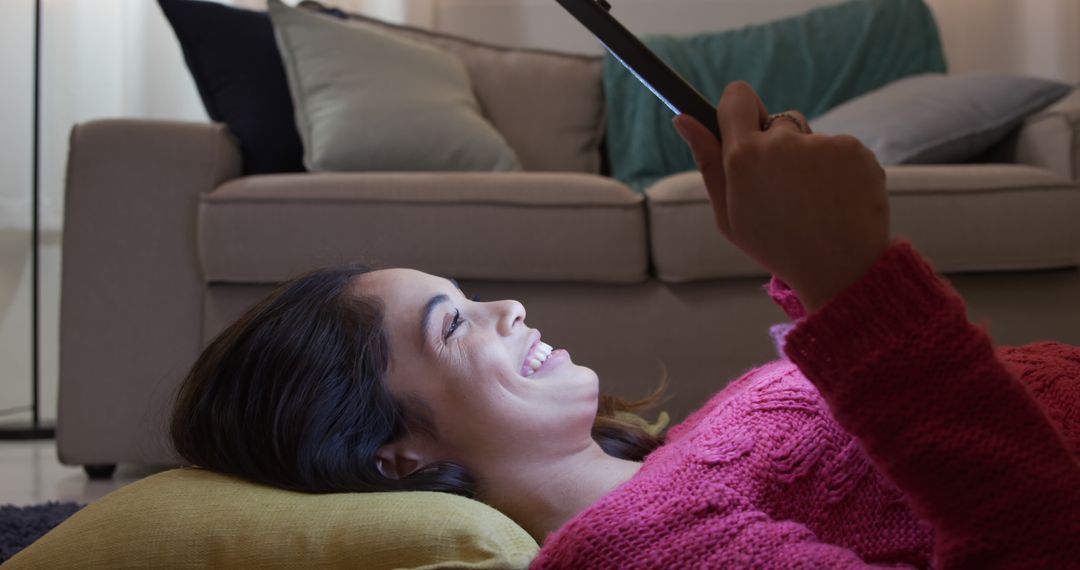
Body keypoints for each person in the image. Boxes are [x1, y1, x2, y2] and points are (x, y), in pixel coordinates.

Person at [171, 82, 1080, 568]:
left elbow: (878, 450)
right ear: (392, 453)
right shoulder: (642, 546)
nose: (510, 308)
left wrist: (814, 269)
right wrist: (852, 286)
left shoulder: (671, 461)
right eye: (452, 326)